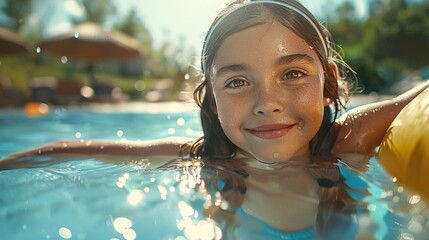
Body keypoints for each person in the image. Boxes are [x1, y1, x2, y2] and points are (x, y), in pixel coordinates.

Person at [1, 0, 429, 238]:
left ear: (328, 81)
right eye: (238, 82)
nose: (268, 102)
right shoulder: (199, 158)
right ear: (210, 98)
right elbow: (63, 152)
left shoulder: (346, 142)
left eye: (293, 74)